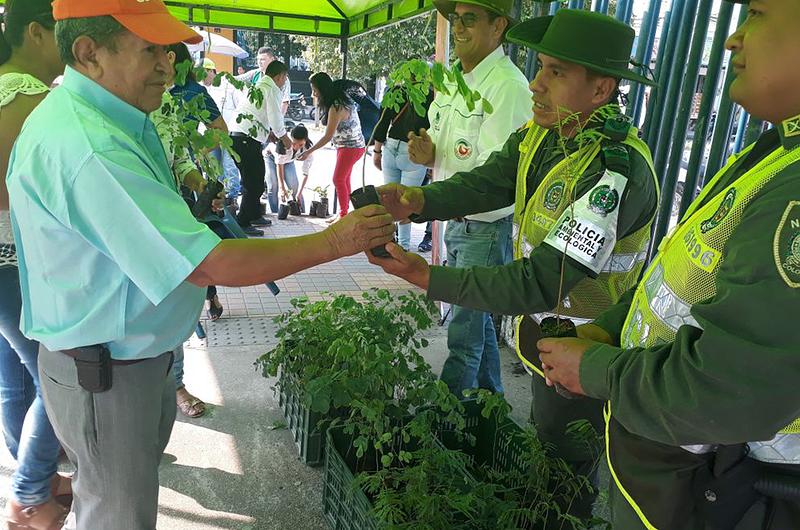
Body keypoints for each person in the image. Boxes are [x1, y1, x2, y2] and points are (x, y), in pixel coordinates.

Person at [8, 2, 394, 529]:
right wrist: (335, 241)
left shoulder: (105, 118)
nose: (168, 65)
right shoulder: (89, 145)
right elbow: (208, 263)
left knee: (116, 501)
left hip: (123, 364)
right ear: (88, 53)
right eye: (150, 50)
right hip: (107, 374)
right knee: (117, 517)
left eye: (167, 50)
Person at [371, 10, 659, 524]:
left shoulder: (615, 173)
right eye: (541, 67)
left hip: (591, 351)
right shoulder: (542, 136)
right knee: (546, 451)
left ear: (601, 90)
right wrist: (416, 198)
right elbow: (487, 182)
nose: (536, 83)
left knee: (567, 471)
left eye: (557, 73)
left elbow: (541, 280)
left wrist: (427, 276)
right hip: (547, 340)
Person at [536, 1, 800, 528]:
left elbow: (732, 386)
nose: (733, 38)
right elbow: (678, 284)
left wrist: (593, 367)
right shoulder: (779, 150)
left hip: (723, 478)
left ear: (601, 91)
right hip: (664, 444)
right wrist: (612, 332)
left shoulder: (619, 166)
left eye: (758, 14)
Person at [403, 0, 533, 398]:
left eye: (469, 20)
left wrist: (425, 197)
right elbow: (449, 150)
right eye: (455, 19)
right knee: (474, 327)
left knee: (464, 332)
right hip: (456, 224)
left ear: (499, 26)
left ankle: (444, 417)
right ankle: (489, 406)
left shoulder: (508, 87)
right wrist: (428, 154)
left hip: (484, 227)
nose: (458, 28)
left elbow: (496, 176)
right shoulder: (454, 80)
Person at [0, 1, 71, 528]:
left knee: (14, 380)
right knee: (58, 376)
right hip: (10, 261)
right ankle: (28, 497)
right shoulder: (27, 97)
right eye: (62, 34)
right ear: (34, 33)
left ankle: (36, 476)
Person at [228, 59, 292, 235]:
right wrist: (285, 138)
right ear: (279, 76)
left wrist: (268, 134)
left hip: (238, 137)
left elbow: (259, 115)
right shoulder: (271, 88)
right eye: (285, 77)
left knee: (256, 177)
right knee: (254, 182)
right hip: (246, 139)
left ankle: (254, 214)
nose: (285, 81)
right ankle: (243, 221)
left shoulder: (259, 86)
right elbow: (275, 118)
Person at [373, 84, 434, 250]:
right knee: (407, 202)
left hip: (390, 147)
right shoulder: (430, 95)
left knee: (390, 200)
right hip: (414, 151)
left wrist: (377, 151)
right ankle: (403, 247)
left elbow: (383, 122)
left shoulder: (395, 91)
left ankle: (387, 243)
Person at [300, 72, 366, 220]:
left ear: (323, 89)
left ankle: (343, 215)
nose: (313, 93)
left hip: (351, 147)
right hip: (351, 146)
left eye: (315, 90)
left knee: (338, 179)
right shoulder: (340, 99)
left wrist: (308, 152)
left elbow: (327, 136)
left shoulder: (336, 106)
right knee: (344, 179)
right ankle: (345, 213)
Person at [265, 124, 314, 215]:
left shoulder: (308, 148)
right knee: (273, 186)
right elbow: (280, 165)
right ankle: (276, 214)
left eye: (301, 144)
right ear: (290, 138)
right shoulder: (283, 143)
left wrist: (300, 192)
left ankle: (301, 213)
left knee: (295, 187)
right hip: (271, 158)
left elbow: (305, 173)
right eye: (294, 143)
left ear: (305, 141)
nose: (296, 147)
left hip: (289, 160)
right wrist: (282, 188)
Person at [237, 46, 291, 115]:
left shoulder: (282, 78)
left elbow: (284, 102)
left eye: (263, 59)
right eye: (258, 59)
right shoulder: (255, 73)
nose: (259, 62)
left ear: (272, 60)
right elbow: (237, 79)